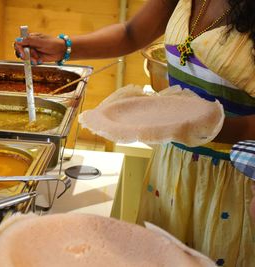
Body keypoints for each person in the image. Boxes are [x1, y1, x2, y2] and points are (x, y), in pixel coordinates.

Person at [14, 0, 255, 266]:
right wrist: (64, 47)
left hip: (235, 180)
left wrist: (205, 127)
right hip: (172, 168)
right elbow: (132, 33)